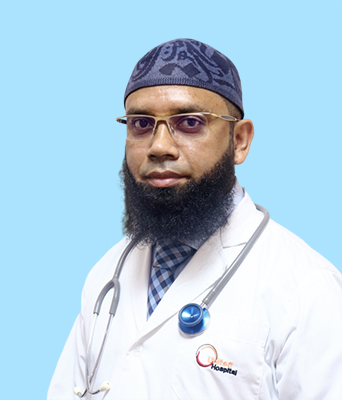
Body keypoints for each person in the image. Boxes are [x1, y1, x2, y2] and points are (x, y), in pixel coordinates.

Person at [47, 39, 342, 400]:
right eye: (141, 123)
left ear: (239, 140)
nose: (159, 146)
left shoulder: (307, 289)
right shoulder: (106, 276)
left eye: (189, 122)